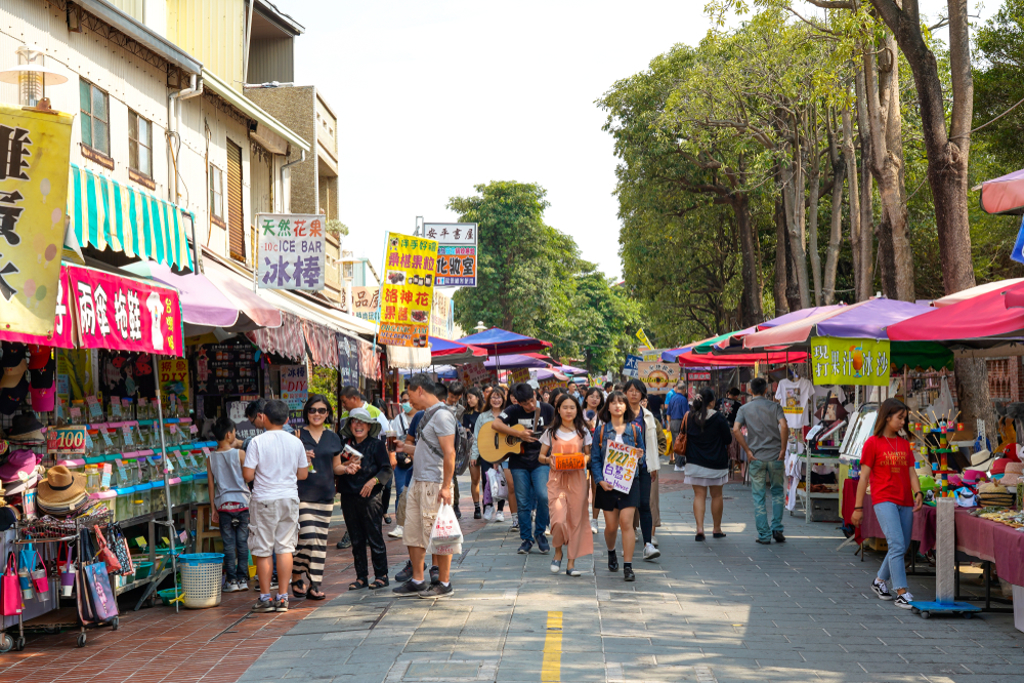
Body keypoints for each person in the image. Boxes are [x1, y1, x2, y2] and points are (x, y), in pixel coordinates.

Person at [851, 398, 924, 609]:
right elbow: (863, 478)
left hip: (905, 500)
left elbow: (911, 471)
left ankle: (879, 581)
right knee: (897, 544)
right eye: (900, 418)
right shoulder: (872, 443)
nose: (903, 422)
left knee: (901, 546)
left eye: (904, 418)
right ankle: (901, 591)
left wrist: (917, 491)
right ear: (887, 416)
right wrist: (858, 508)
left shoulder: (903, 444)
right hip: (883, 499)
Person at [393, 374, 458, 599]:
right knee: (414, 532)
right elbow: (429, 449)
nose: (409, 401)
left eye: (410, 395)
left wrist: (447, 486)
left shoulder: (442, 416)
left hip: (435, 483)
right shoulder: (427, 416)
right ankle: (418, 580)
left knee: (440, 534)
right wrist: (405, 448)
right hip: (418, 481)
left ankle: (445, 582)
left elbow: (450, 453)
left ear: (420, 390)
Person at [243, 399, 310, 613]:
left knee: (263, 550)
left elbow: (248, 475)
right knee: (285, 548)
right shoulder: (296, 442)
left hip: (264, 499)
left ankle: (265, 598)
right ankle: (283, 598)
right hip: (289, 498)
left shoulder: (256, 442)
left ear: (264, 417)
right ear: (287, 419)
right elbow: (303, 474)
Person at [492, 383, 555, 554]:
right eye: (525, 403)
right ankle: (526, 539)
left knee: (543, 496)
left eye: (532, 400)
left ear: (535, 394)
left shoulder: (547, 409)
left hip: (541, 461)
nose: (530, 405)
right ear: (518, 402)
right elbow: (496, 425)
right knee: (523, 501)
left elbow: (557, 430)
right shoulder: (513, 411)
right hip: (518, 462)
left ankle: (540, 533)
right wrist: (518, 434)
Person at [334, 408, 393, 590]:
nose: (358, 425)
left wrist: (372, 482)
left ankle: (381, 574)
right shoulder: (344, 446)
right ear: (350, 425)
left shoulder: (376, 445)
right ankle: (361, 576)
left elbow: (386, 469)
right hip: (348, 497)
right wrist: (345, 466)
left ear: (369, 426)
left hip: (370, 497)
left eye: (362, 422)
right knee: (355, 538)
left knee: (374, 535)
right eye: (354, 422)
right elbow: (336, 468)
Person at [291, 394, 342, 600]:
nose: (317, 414)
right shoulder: (296, 435)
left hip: (326, 495)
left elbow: (336, 467)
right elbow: (287, 467)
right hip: (302, 494)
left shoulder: (333, 437)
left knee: (320, 543)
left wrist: (348, 468)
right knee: (309, 537)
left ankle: (314, 584)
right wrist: (300, 456)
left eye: (322, 410)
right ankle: (295, 573)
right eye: (313, 410)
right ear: (307, 413)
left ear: (327, 413)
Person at [591, 391, 645, 582]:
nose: (617, 405)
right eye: (613, 402)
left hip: (630, 483)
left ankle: (628, 566)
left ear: (626, 407)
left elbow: (642, 456)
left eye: (621, 402)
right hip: (608, 483)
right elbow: (595, 459)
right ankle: (611, 551)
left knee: (626, 523)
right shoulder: (601, 430)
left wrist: (639, 455)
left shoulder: (635, 430)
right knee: (612, 526)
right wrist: (599, 480)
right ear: (608, 407)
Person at [538, 394, 593, 576]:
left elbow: (588, 455)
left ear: (577, 410)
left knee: (576, 521)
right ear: (558, 410)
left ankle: (571, 564)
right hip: (557, 481)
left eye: (572, 407)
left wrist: (582, 460)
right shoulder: (550, 432)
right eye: (565, 407)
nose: (568, 411)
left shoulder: (583, 432)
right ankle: (558, 551)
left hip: (577, 480)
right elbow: (541, 456)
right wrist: (549, 460)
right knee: (559, 520)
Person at [732, 378, 789, 545]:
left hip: (755, 457)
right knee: (778, 492)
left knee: (759, 497)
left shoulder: (744, 408)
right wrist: (783, 449)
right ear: (766, 390)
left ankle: (764, 535)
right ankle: (777, 528)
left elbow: (735, 429)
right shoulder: (775, 407)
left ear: (750, 391)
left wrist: (747, 450)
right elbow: (784, 426)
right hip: (776, 456)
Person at [207, 417, 250, 593]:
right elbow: (248, 477)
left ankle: (231, 580)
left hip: (223, 505)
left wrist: (213, 508)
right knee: (242, 542)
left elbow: (211, 485)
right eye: (234, 432)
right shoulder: (240, 454)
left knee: (228, 544)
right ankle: (243, 578)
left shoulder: (210, 458)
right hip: (242, 503)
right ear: (228, 434)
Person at [683, 388, 733, 541]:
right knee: (717, 495)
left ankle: (699, 529)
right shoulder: (718, 417)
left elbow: (684, 435)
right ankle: (716, 529)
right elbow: (728, 439)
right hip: (716, 464)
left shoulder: (689, 416)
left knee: (699, 495)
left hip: (695, 462)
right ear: (712, 401)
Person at [623, 379, 661, 561]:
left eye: (637, 391)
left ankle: (648, 545)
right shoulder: (619, 414)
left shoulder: (648, 416)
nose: (634, 394)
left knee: (644, 504)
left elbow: (652, 443)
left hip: (644, 466)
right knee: (627, 506)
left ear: (642, 394)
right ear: (625, 393)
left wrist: (653, 465)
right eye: (630, 390)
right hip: (623, 467)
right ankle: (627, 543)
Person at [472, 386, 517, 523]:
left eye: (499, 397)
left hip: (505, 453)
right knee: (487, 480)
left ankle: (500, 510)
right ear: (488, 399)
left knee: (503, 481)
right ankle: (488, 505)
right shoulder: (483, 416)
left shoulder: (508, 414)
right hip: (486, 453)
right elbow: (476, 437)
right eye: (493, 397)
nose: (496, 400)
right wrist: (474, 455)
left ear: (503, 399)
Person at [388, 391, 415, 539]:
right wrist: (392, 455)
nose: (406, 403)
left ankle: (412, 523)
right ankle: (400, 524)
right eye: (403, 400)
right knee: (400, 491)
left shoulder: (422, 416)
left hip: (417, 459)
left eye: (409, 400)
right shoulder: (398, 419)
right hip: (401, 462)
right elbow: (391, 438)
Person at [582, 387, 605, 534]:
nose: (594, 399)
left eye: (597, 397)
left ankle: (594, 520)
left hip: (598, 456)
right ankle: (583, 519)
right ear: (586, 398)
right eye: (592, 396)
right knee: (583, 489)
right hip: (582, 455)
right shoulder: (579, 414)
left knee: (596, 488)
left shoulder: (604, 415)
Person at [462, 387, 485, 519]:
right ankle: (477, 507)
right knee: (475, 479)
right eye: (467, 398)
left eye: (471, 397)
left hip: (486, 449)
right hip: (472, 449)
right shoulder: (467, 414)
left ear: (477, 397)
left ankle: (486, 503)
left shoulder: (486, 413)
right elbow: (466, 433)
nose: (468, 400)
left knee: (486, 479)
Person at [666, 384, 689, 472]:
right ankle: (680, 464)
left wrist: (668, 424)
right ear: (684, 389)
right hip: (680, 422)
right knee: (682, 442)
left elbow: (668, 413)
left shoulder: (672, 398)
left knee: (676, 442)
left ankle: (677, 464)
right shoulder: (683, 399)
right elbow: (686, 414)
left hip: (672, 422)